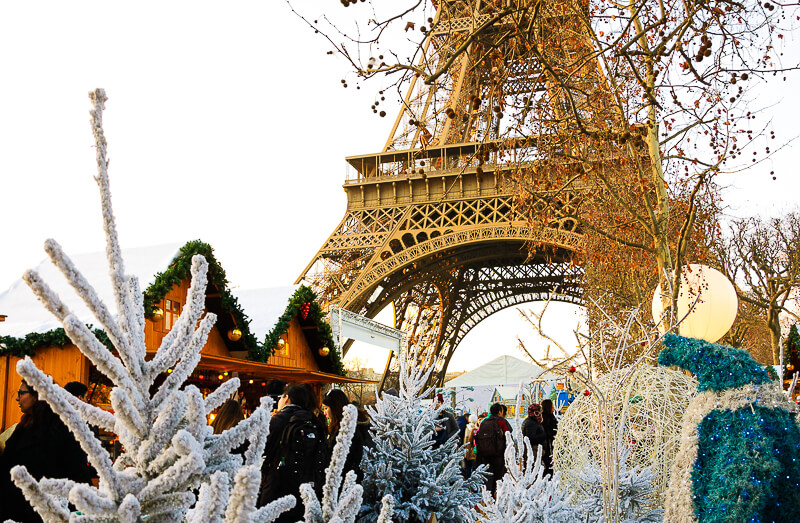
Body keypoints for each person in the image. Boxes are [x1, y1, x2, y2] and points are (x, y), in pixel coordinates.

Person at [0, 380, 93, 522]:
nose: (17, 398)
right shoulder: (23, 426)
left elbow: (78, 474)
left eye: (21, 393)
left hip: (44, 513)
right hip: (15, 510)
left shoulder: (62, 429)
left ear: (37, 395)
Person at [259, 384, 329, 522]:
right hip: (306, 491)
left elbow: (258, 448)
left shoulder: (278, 420)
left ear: (286, 398)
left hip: (277, 488)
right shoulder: (316, 421)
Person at [322, 389, 366, 481]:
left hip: (344, 482)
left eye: (326, 408)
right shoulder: (334, 428)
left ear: (335, 408)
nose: (324, 412)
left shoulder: (348, 431)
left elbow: (347, 461)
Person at [474, 402, 512, 495]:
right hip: (498, 454)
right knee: (499, 477)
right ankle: (498, 498)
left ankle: (488, 497)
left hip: (484, 454)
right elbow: (509, 434)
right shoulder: (502, 421)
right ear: (500, 412)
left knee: (488, 477)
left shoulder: (484, 422)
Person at [541, 398, 558, 477]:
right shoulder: (546, 418)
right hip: (548, 445)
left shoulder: (550, 417)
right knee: (549, 464)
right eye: (552, 406)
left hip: (550, 444)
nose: (553, 408)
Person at [462, 413, 478, 478]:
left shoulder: (467, 428)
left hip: (468, 451)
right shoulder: (477, 428)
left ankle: (467, 482)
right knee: (474, 468)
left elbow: (466, 440)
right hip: (475, 451)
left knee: (468, 467)